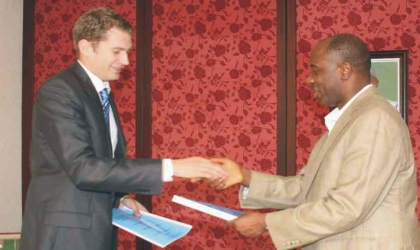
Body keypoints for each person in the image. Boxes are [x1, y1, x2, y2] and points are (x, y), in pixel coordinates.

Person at [20, 7, 228, 250]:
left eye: (127, 52)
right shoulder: (60, 92)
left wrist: (120, 198)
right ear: (86, 47)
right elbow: (83, 168)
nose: (126, 61)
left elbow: (103, 163)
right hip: (65, 235)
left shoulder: (100, 92)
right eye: (117, 52)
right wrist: (174, 167)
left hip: (96, 231)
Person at [209, 34, 420, 249]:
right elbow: (307, 190)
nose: (309, 79)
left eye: (316, 71)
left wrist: (266, 223)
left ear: (344, 70)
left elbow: (348, 207)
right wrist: (244, 176)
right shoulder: (345, 123)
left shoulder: (374, 119)